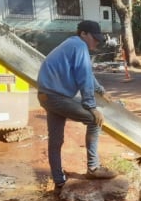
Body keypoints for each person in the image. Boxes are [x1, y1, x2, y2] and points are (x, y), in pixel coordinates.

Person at [37, 20, 117, 191]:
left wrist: (101, 91)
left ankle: (58, 179)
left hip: (46, 95)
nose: (96, 42)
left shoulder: (71, 44)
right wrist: (91, 107)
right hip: (56, 96)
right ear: (83, 34)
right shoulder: (80, 46)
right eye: (94, 38)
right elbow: (84, 78)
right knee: (94, 120)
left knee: (55, 139)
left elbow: (86, 72)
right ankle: (93, 168)